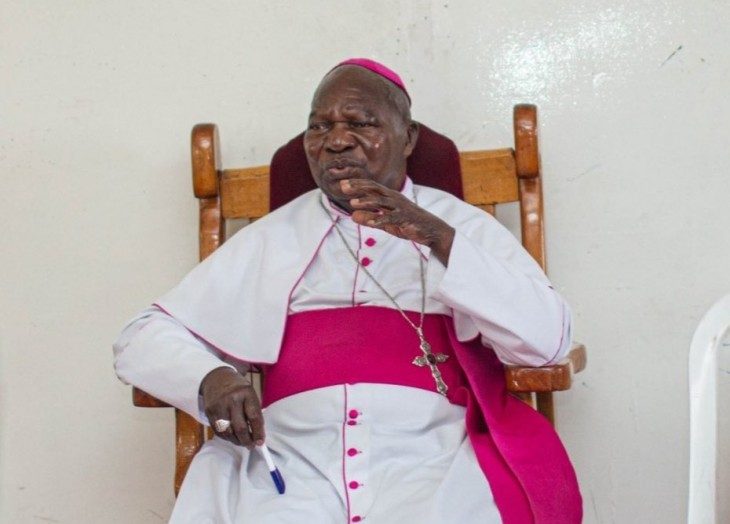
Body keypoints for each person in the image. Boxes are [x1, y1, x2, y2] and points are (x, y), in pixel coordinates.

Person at [114, 58, 582, 523]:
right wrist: (209, 378)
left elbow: (547, 342)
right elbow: (141, 337)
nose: (336, 141)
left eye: (360, 123)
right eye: (320, 126)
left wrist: (441, 240)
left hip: (437, 457)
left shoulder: (460, 226)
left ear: (408, 138)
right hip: (289, 460)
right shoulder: (270, 236)